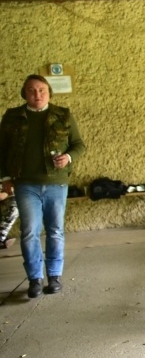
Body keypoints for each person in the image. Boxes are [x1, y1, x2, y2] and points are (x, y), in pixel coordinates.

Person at [0, 75, 86, 298]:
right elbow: (1, 151)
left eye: (41, 90)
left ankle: (54, 275)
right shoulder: (12, 117)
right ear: (24, 94)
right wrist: (5, 178)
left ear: (49, 92)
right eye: (31, 90)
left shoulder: (63, 115)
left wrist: (68, 156)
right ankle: (35, 279)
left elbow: (79, 145)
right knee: (29, 232)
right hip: (25, 184)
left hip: (56, 183)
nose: (37, 94)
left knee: (55, 231)